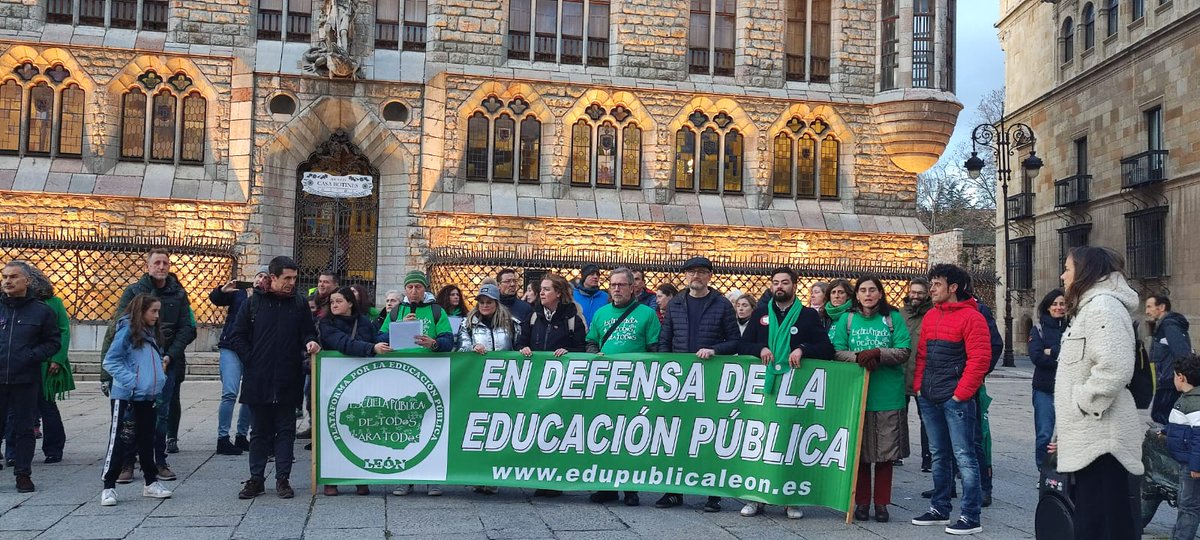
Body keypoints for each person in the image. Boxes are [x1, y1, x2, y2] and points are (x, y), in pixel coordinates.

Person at [1049, 246, 1143, 539]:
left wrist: (1082, 404)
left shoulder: (1103, 306)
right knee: (1095, 518)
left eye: (1067, 268)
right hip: (1090, 433)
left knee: (1103, 522)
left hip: (1102, 436)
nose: (1063, 275)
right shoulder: (1090, 307)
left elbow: (1114, 367)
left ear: (1086, 271)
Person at [737, 266, 833, 519]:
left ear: (794, 285)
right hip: (764, 390)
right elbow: (743, 343)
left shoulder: (807, 316)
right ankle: (754, 497)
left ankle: (790, 499)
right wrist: (760, 349)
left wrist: (802, 348)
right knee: (760, 441)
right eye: (776, 282)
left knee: (789, 442)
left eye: (785, 282)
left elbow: (826, 348)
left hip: (793, 390)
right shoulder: (760, 314)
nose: (780, 286)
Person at [228, 256, 321, 500]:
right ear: (273, 278)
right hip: (258, 377)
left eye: (294, 278)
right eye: (287, 278)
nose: (292, 282)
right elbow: (237, 335)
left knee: (286, 430)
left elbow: (308, 331)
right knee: (259, 431)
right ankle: (256, 478)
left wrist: (310, 342)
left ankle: (283, 479)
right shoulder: (253, 303)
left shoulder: (299, 303)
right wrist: (252, 359)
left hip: (288, 376)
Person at [100, 248, 195, 483]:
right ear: (148, 266)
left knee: (161, 414)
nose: (161, 267)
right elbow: (119, 326)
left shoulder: (179, 294)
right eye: (157, 263)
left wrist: (169, 355)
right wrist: (108, 375)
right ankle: (127, 462)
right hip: (138, 361)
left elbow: (187, 328)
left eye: (165, 262)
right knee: (130, 416)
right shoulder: (133, 292)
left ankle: (158, 461)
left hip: (167, 361)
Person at [910, 263, 991, 535]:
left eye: (937, 284)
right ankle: (939, 507)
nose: (931, 289)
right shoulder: (932, 316)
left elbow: (980, 360)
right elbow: (922, 355)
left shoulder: (973, 317)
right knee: (938, 454)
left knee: (964, 456)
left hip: (955, 399)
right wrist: (919, 387)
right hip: (930, 396)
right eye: (931, 284)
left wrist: (960, 394)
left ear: (953, 287)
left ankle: (971, 515)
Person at [657, 256, 741, 513]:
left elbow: (734, 340)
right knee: (676, 434)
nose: (697, 276)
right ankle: (673, 491)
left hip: (709, 378)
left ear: (709, 276)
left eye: (702, 272)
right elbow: (665, 338)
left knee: (709, 435)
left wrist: (714, 350)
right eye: (692, 272)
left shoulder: (722, 304)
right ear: (685, 276)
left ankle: (712, 493)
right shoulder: (676, 304)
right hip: (680, 379)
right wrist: (665, 367)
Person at [829, 276, 911, 523]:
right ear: (857, 295)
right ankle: (862, 502)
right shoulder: (848, 319)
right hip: (859, 393)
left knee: (886, 454)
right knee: (861, 453)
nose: (868, 294)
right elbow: (836, 350)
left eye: (872, 290)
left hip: (888, 394)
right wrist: (859, 357)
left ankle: (882, 503)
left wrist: (879, 353)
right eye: (863, 290)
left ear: (880, 293)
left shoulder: (892, 318)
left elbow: (904, 350)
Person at [585, 268, 661, 507]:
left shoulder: (647, 314)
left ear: (632, 287)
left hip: (634, 383)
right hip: (605, 382)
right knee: (605, 433)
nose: (616, 289)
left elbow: (654, 349)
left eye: (621, 285)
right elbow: (591, 341)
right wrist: (594, 354)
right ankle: (606, 487)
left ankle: (630, 488)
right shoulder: (601, 313)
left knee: (630, 435)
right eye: (613, 285)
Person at [517, 273, 587, 497]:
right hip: (537, 380)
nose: (542, 293)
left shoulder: (572, 318)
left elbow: (582, 348)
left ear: (558, 293)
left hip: (562, 383)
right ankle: (539, 476)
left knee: (558, 429)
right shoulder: (533, 316)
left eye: (547, 289)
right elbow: (521, 341)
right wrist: (524, 349)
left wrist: (570, 353)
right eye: (541, 290)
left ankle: (556, 478)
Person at [99, 294, 173, 505]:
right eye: (153, 311)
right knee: (119, 440)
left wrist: (159, 377)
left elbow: (154, 358)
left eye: (158, 311)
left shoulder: (150, 333)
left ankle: (150, 482)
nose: (157, 316)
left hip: (147, 395)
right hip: (127, 397)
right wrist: (133, 380)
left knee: (147, 439)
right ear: (141, 311)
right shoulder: (127, 331)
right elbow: (111, 361)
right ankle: (108, 486)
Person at [318, 286, 390, 496]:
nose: (334, 305)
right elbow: (343, 344)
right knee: (334, 430)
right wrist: (370, 349)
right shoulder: (326, 324)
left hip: (363, 383)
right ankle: (331, 478)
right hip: (333, 383)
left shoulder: (365, 322)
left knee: (362, 427)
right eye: (332, 302)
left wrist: (395, 335)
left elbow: (376, 338)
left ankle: (360, 476)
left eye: (338, 301)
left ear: (350, 303)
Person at [0, 261, 62, 493]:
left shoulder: (41, 311)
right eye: (5, 276)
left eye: (14, 277)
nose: (8, 281)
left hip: (25, 379)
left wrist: (31, 355)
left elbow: (52, 342)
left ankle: (23, 473)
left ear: (26, 281)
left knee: (24, 427)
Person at [456, 283, 519, 496]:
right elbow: (460, 347)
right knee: (478, 429)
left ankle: (493, 475)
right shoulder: (468, 324)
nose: (484, 306)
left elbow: (519, 347)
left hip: (505, 382)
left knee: (499, 429)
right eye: (481, 302)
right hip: (478, 382)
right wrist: (471, 348)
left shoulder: (511, 324)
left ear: (496, 303)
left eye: (488, 302)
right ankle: (477, 474)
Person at [208, 268, 268, 456]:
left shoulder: (269, 300)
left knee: (249, 395)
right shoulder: (239, 294)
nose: (261, 280)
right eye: (259, 276)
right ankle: (222, 438)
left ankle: (242, 436)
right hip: (231, 347)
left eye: (266, 278)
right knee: (230, 392)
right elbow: (216, 299)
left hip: (253, 351)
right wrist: (221, 290)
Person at [1028, 289, 1066, 472]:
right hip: (1044, 388)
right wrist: (1062, 357)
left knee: (1067, 434)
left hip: (1068, 389)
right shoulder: (1039, 329)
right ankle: (1044, 471)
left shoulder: (1073, 328)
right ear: (1048, 307)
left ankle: (1063, 469)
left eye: (1062, 304)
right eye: (1055, 304)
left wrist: (1052, 351)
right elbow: (1036, 357)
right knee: (1044, 433)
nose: (1059, 307)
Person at [1166, 354, 1200, 540]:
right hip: (1186, 462)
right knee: (1185, 502)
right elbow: (1181, 425)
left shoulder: (1194, 402)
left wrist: (1196, 465)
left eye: (1173, 376)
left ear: (1181, 377)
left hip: (1192, 466)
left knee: (1189, 506)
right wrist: (1165, 431)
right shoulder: (1187, 399)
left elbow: (1199, 436)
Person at [903, 277, 934, 472]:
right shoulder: (900, 315)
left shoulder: (932, 314)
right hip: (901, 373)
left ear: (927, 294)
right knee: (898, 417)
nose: (915, 296)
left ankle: (928, 457)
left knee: (927, 419)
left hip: (923, 374)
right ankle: (898, 453)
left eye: (920, 293)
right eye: (913, 292)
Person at [1148, 295, 1193, 425]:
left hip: (1169, 382)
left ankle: (1169, 443)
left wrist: (1180, 379)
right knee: (1160, 415)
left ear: (1161, 307)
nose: (1147, 311)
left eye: (1150, 306)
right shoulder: (1163, 326)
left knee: (1162, 416)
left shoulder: (1169, 325)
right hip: (1165, 381)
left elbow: (1182, 353)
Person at [388, 271, 454, 353]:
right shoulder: (396, 311)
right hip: (400, 362)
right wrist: (401, 326)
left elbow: (448, 341)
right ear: (405, 289)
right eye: (410, 287)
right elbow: (380, 338)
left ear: (425, 288)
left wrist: (434, 344)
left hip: (427, 362)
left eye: (418, 287)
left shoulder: (436, 310)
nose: (414, 291)